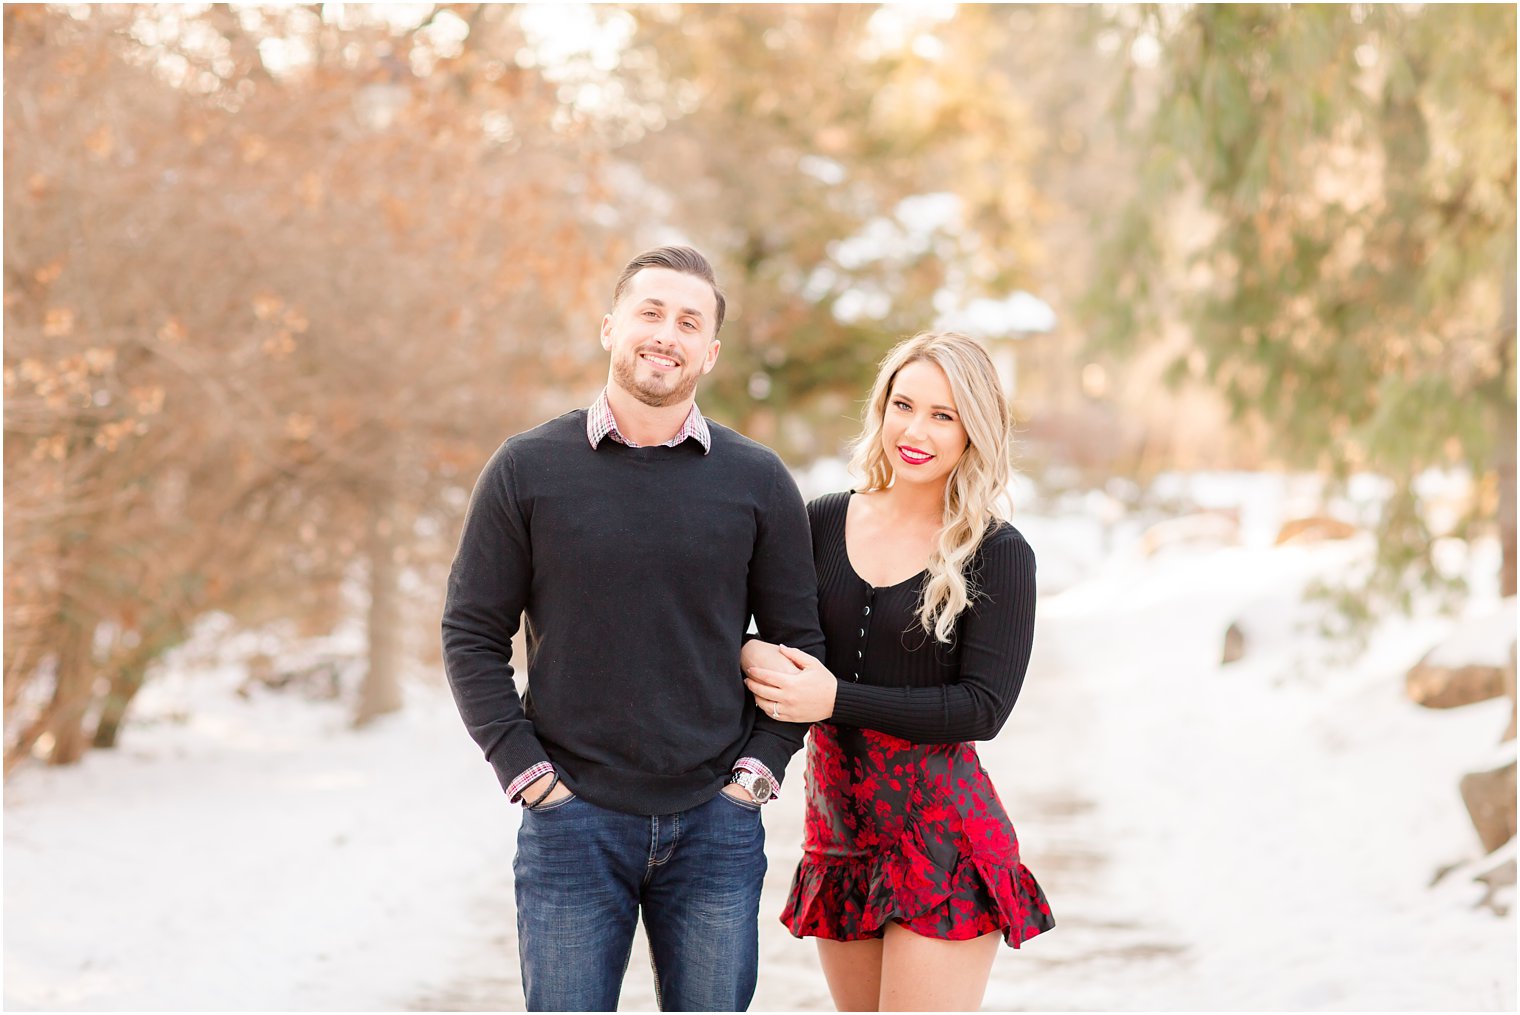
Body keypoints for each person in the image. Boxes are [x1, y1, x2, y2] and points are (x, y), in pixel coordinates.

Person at [441, 245, 824, 1012]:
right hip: (571, 822)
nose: (666, 334)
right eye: (650, 312)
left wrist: (754, 776)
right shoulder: (526, 468)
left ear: (709, 352)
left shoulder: (758, 480)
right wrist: (528, 774)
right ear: (611, 325)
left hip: (715, 823)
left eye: (689, 321)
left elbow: (799, 648)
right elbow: (471, 632)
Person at [741, 331, 1055, 1012]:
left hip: (941, 840)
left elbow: (983, 707)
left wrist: (834, 698)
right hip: (839, 837)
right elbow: (763, 631)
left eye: (943, 415)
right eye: (903, 404)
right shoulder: (819, 521)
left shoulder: (997, 552)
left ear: (975, 430)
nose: (916, 429)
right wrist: (747, 650)